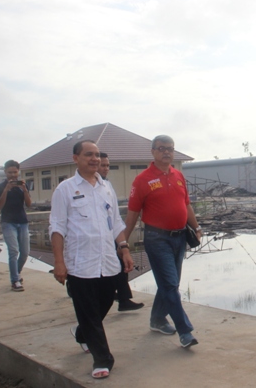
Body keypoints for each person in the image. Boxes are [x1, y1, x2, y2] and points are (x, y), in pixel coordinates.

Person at [49, 140, 134, 380]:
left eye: (97, 155)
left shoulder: (106, 187)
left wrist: (124, 249)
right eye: (89, 155)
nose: (95, 159)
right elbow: (57, 227)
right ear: (76, 158)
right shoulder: (65, 189)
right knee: (87, 311)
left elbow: (116, 222)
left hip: (107, 260)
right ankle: (102, 359)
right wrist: (58, 262)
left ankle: (82, 334)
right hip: (79, 263)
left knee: (105, 302)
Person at [123, 135, 202, 348]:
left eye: (170, 149)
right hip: (156, 239)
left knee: (170, 283)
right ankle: (185, 331)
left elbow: (186, 205)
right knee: (169, 284)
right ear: (153, 152)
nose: (167, 152)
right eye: (162, 148)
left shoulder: (178, 175)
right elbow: (132, 214)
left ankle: (157, 319)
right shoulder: (142, 180)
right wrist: (123, 244)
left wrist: (196, 227)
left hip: (179, 238)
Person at [98, 152, 145, 312]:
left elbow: (115, 215)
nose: (105, 169)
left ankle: (124, 299)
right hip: (97, 237)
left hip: (112, 234)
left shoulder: (107, 185)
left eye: (107, 166)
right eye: (102, 165)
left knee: (122, 264)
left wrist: (122, 242)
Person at [0, 160, 32, 292]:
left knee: (25, 252)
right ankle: (15, 280)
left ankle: (17, 272)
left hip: (22, 221)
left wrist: (24, 190)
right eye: (10, 172)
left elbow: (28, 204)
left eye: (15, 172)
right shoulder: (0, 187)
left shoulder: (23, 185)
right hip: (8, 222)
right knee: (13, 251)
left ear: (18, 172)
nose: (12, 175)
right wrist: (6, 190)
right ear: (5, 172)